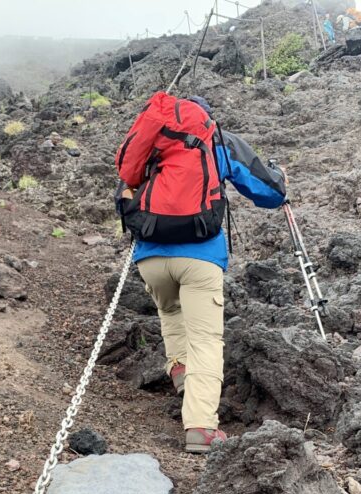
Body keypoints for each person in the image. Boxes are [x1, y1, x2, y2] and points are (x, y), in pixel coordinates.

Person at [115, 93, 287, 454]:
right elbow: (265, 190)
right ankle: (201, 428)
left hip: (150, 258)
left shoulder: (150, 143)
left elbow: (126, 190)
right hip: (201, 256)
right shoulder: (215, 139)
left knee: (171, 311)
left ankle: (180, 372)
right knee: (206, 338)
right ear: (205, 116)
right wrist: (281, 182)